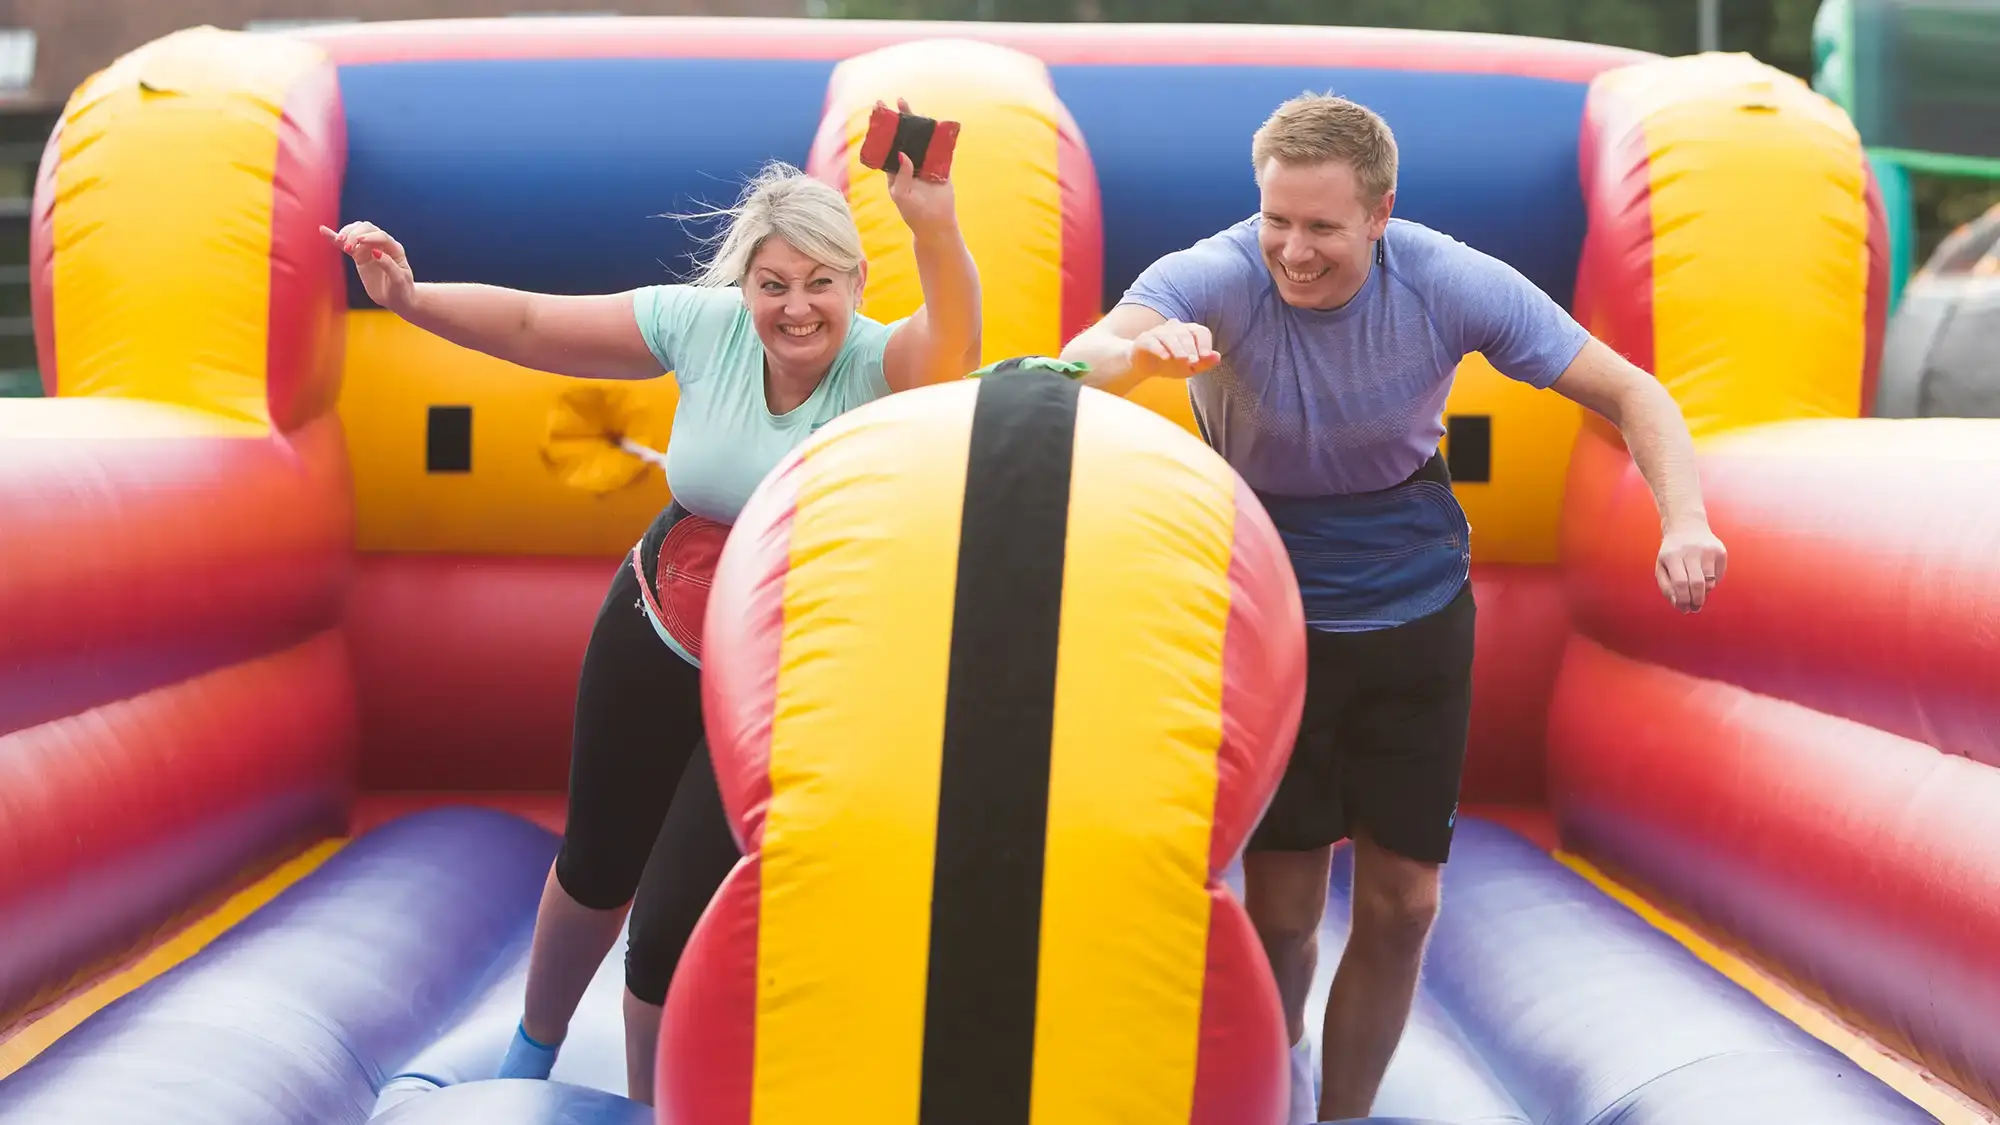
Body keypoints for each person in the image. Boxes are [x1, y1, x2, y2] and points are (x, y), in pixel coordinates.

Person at [1058, 92, 1726, 1124]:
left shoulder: (1446, 279)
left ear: (1378, 213)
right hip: (1273, 617)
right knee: (1279, 913)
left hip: (1411, 608)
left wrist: (1682, 521)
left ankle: (1345, 1113)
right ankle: (1268, 1091)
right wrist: (1137, 357)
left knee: (1403, 903)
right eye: (1277, 219)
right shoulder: (1222, 272)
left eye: (1321, 226)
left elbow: (1633, 393)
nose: (1292, 250)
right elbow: (1095, 350)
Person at [323, 126, 981, 1105]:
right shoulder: (703, 325)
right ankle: (530, 1055)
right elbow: (532, 326)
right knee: (595, 860)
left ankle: (649, 1102)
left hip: (784, 671)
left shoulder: (887, 366)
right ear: (744, 285)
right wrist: (410, 301)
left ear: (854, 284)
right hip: (661, 617)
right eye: (772, 284)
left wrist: (932, 224)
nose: (795, 307)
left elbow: (957, 335)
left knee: (671, 917)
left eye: (819, 284)